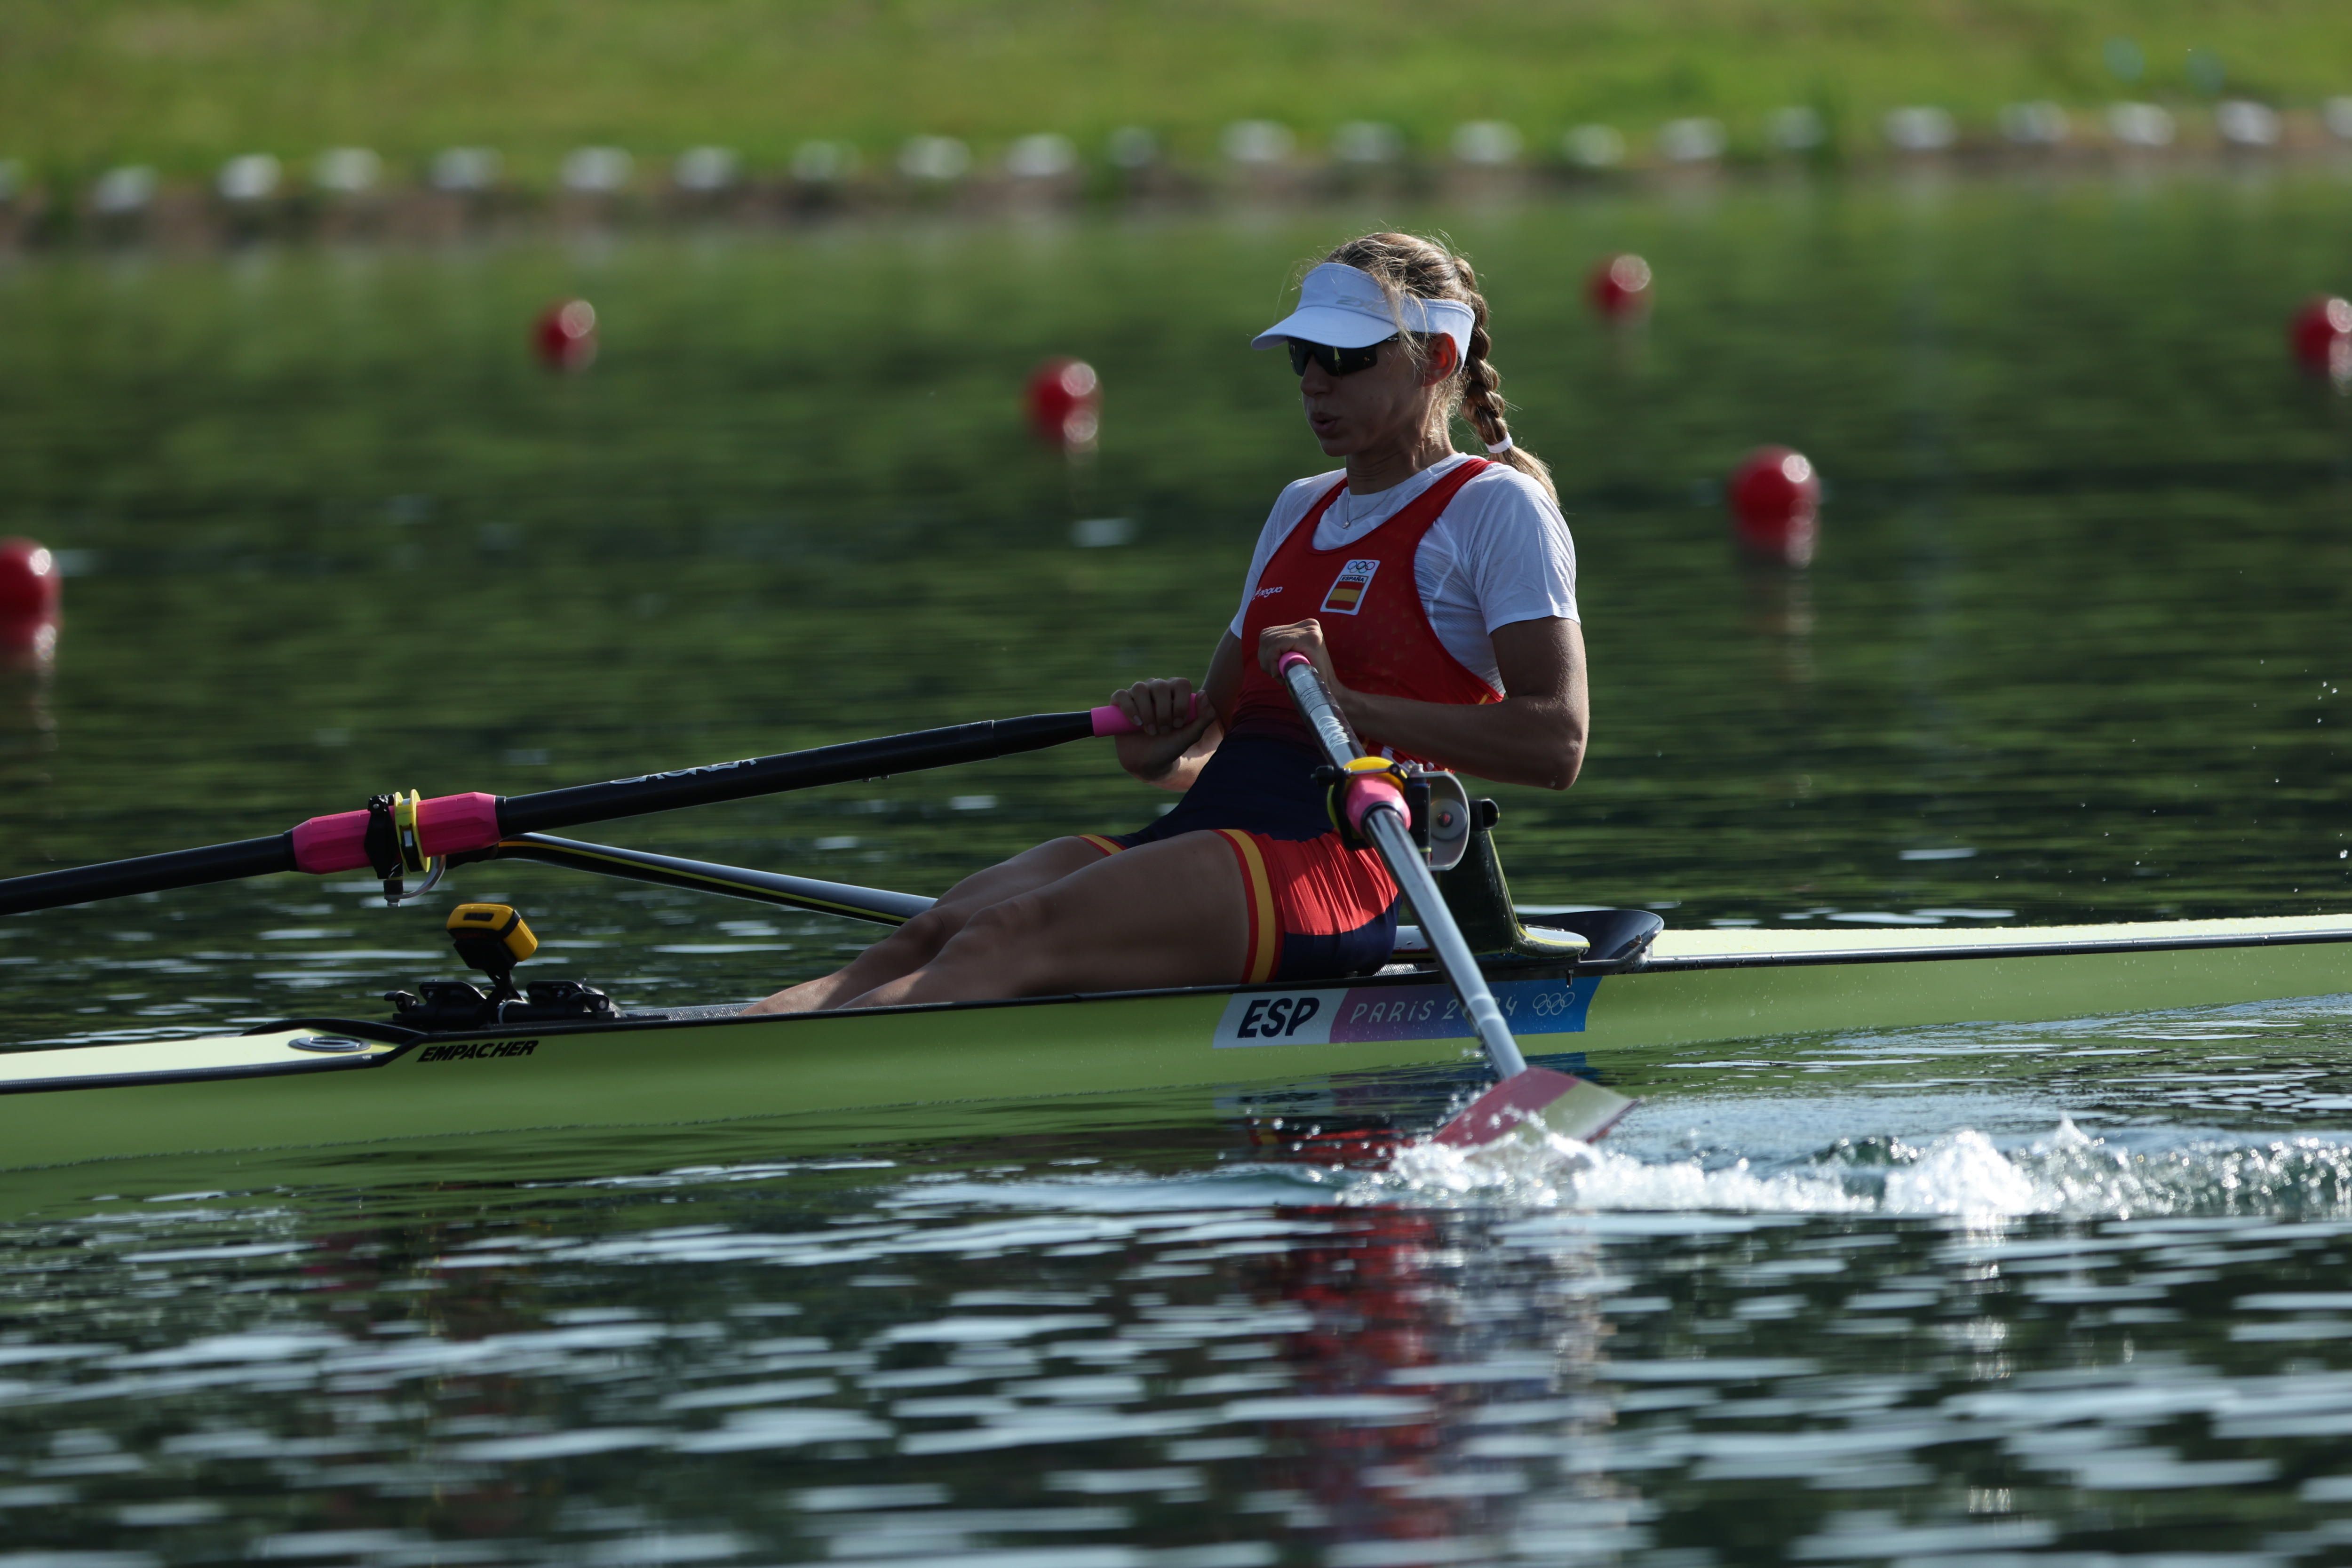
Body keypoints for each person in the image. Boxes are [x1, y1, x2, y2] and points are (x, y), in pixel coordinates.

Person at [745, 231, 1586, 1015]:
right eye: (1303, 355)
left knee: (1006, 936)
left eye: (1344, 357)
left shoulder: (1493, 509)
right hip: (1209, 831)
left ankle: (776, 1098)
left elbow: (1556, 745)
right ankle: (726, 1047)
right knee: (936, 929)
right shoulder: (1301, 506)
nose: (1313, 382)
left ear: (1436, 357)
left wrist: (1352, 708)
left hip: (1328, 869)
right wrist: (1161, 745)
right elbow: (1212, 741)